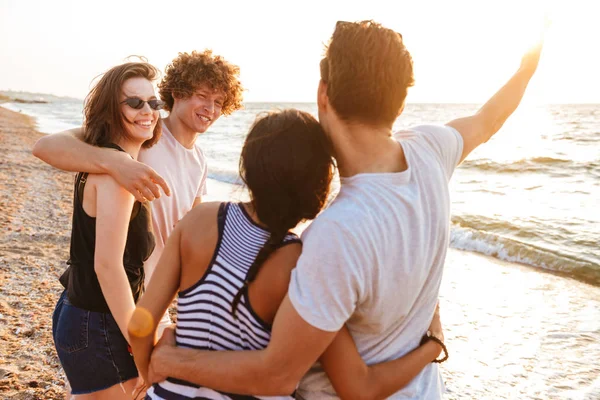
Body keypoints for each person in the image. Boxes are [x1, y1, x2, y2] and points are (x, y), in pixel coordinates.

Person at [144, 19, 544, 399]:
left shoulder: (333, 235)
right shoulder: (432, 148)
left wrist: (171, 359)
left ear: (323, 93)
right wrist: (527, 69)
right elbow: (489, 119)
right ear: (400, 103)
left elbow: (279, 374)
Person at [128, 109, 447, 400]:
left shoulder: (199, 220)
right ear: (317, 188)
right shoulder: (300, 261)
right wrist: (433, 345)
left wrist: (152, 373)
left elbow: (140, 325)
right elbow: (361, 387)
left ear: (249, 168)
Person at [33, 50, 245, 336]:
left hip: (155, 299)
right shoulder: (145, 133)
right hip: (118, 297)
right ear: (178, 93)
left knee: (147, 380)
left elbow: (186, 233)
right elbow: (46, 147)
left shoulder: (200, 160)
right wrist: (116, 162)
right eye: (203, 96)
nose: (211, 108)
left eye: (219, 102)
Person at [51, 61, 162, 397]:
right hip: (98, 323)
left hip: (79, 311)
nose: (148, 111)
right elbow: (108, 266)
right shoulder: (117, 175)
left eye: (153, 103)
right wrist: (139, 345)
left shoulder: (101, 162)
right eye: (134, 103)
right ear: (111, 111)